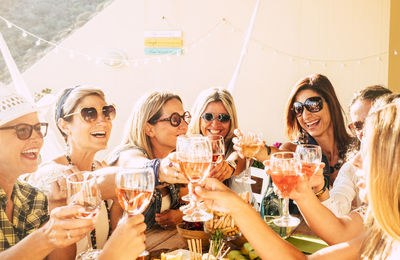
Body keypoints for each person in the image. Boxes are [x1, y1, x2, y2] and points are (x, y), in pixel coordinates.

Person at [196, 96, 400, 259]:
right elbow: (340, 232)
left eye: (372, 149)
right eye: (299, 108)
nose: (355, 159)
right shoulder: (386, 228)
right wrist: (301, 194)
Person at [0, 88, 146, 260]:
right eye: (23, 130)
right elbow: (108, 179)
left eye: (38, 128)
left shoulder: (31, 196)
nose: (38, 139)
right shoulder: (52, 175)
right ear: (64, 125)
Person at [28, 85, 122, 254]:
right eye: (89, 114)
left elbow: (116, 241)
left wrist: (118, 203)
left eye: (106, 112)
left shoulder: (101, 169)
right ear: (65, 126)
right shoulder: (52, 174)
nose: (103, 121)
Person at [234, 74, 354, 200]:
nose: (306, 116)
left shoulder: (357, 147)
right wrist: (258, 150)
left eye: (313, 105)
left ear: (331, 103)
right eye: (298, 109)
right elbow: (280, 157)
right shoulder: (294, 149)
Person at [108, 91, 189, 229]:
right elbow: (134, 166)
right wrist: (159, 169)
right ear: (149, 129)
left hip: (160, 247)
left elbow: (190, 201)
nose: (184, 126)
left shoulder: (174, 157)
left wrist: (181, 214)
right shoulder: (128, 154)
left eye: (185, 117)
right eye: (175, 120)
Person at [321, 85, 391, 216]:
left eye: (372, 122)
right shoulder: (353, 167)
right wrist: (317, 189)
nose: (365, 131)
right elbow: (335, 212)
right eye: (358, 126)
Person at [188, 87, 246, 185]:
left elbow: (242, 157)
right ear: (199, 119)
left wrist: (229, 166)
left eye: (223, 118)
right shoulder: (187, 149)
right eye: (208, 117)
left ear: (231, 120)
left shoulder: (239, 145)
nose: (215, 124)